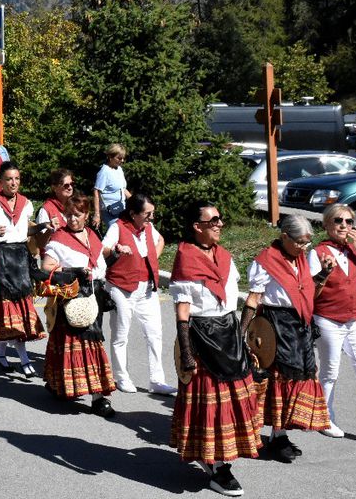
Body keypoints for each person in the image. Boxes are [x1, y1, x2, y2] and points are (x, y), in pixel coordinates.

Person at [170, 201, 261, 497]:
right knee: (214, 407)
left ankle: (218, 459)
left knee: (236, 404)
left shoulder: (223, 255)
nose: (220, 224)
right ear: (198, 227)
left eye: (221, 220)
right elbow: (183, 311)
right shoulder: (186, 258)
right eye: (214, 221)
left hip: (229, 332)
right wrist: (186, 353)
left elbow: (233, 299)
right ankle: (221, 469)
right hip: (204, 337)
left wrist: (242, 336)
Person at [243, 214, 329, 462]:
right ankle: (270, 435)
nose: (303, 248)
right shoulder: (265, 261)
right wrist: (243, 335)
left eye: (307, 243)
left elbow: (308, 291)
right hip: (276, 326)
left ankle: (278, 434)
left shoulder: (300, 259)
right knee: (276, 380)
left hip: (299, 325)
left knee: (295, 379)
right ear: (284, 237)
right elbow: (253, 299)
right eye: (300, 242)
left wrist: (323, 274)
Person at [308, 204, 356, 441]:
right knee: (330, 372)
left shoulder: (354, 251)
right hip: (328, 319)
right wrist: (324, 274)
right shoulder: (317, 252)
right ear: (327, 225)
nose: (344, 226)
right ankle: (326, 418)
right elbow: (310, 293)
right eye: (338, 221)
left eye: (349, 222)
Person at [41, 191, 117, 418]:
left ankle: (85, 392)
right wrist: (73, 271)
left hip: (95, 295)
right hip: (72, 298)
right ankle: (94, 397)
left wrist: (117, 255)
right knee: (79, 345)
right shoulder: (59, 239)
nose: (72, 219)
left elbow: (100, 264)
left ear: (87, 214)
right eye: (69, 215)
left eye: (78, 214)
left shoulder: (92, 235)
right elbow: (47, 267)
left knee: (93, 342)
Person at [0, 161, 46, 376]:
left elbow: (28, 230)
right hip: (1, 260)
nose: (13, 183)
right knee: (10, 311)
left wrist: (43, 226)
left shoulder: (26, 203)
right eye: (8, 179)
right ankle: (24, 359)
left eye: (16, 178)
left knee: (19, 310)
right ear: (0, 181)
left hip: (21, 259)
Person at [101, 193, 175, 395]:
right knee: (121, 334)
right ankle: (121, 376)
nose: (151, 217)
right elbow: (104, 249)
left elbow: (160, 240)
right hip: (121, 287)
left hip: (146, 288)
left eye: (152, 213)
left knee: (155, 333)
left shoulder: (149, 228)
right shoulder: (118, 227)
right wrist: (116, 248)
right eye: (147, 214)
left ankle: (157, 380)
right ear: (133, 214)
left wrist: (152, 260)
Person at [92, 143, 131, 230]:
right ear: (110, 157)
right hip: (109, 211)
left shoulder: (119, 169)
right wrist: (97, 214)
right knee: (118, 233)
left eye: (123, 158)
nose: (122, 160)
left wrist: (135, 201)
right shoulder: (104, 172)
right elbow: (96, 192)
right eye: (119, 158)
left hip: (121, 208)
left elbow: (123, 189)